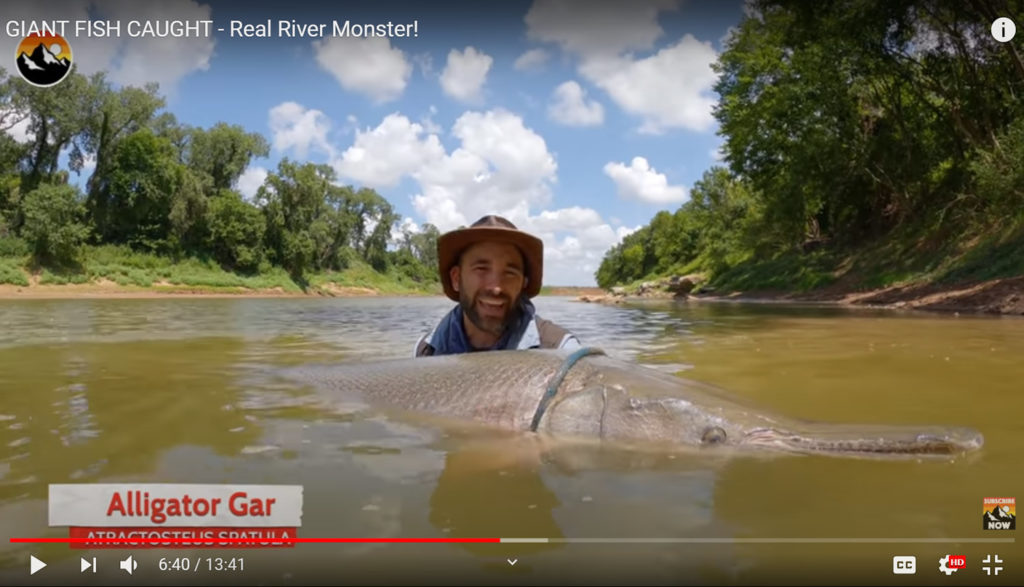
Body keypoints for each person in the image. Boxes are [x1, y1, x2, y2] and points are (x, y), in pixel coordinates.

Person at [414, 215, 581, 356]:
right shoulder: (425, 352)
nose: (496, 288)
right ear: (456, 279)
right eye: (481, 269)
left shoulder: (562, 354)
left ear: (523, 283)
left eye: (510, 273)